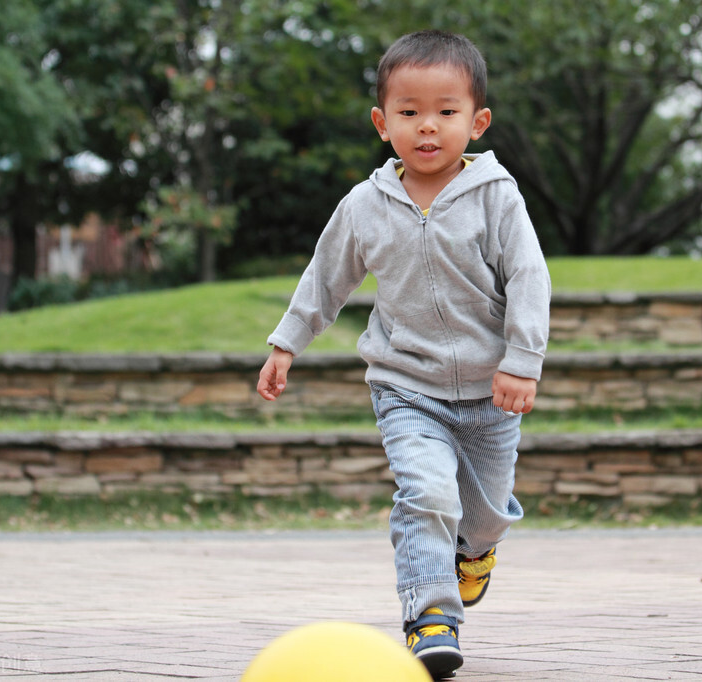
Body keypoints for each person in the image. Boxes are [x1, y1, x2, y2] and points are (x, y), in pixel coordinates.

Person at [257, 29, 550, 679]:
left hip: (490, 392)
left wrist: (521, 361)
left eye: (445, 112)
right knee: (424, 495)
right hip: (406, 386)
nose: (427, 127)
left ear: (476, 122)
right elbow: (324, 277)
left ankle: (474, 554)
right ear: (381, 123)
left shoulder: (496, 198)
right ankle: (431, 616)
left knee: (484, 517)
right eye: (408, 112)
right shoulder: (365, 205)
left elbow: (530, 280)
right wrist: (286, 343)